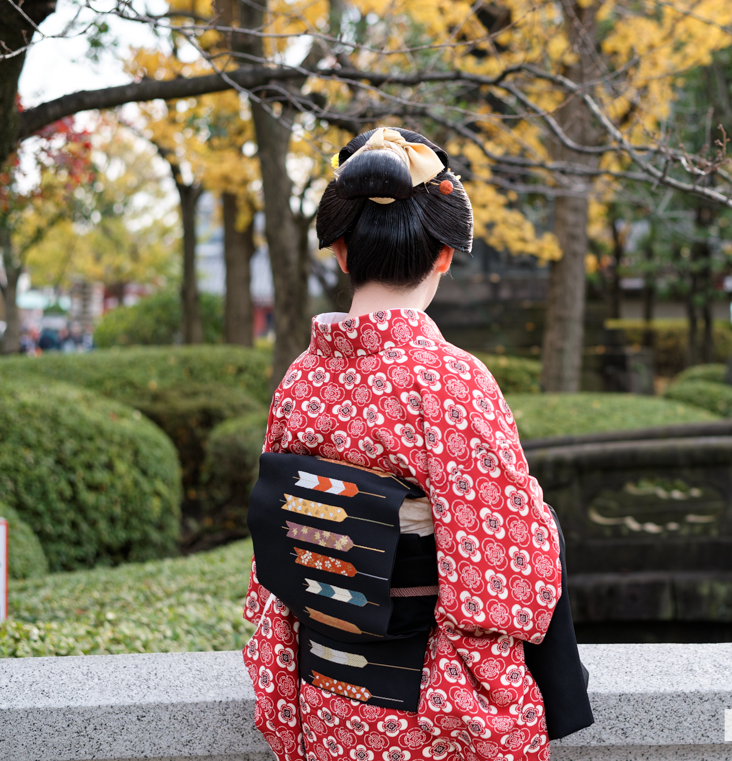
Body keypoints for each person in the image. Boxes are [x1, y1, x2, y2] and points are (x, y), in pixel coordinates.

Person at [243, 127, 592, 761]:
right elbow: (503, 576)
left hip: (323, 694)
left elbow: (279, 556)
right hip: (429, 702)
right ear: (444, 255)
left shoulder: (300, 378)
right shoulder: (451, 380)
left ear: (342, 252)